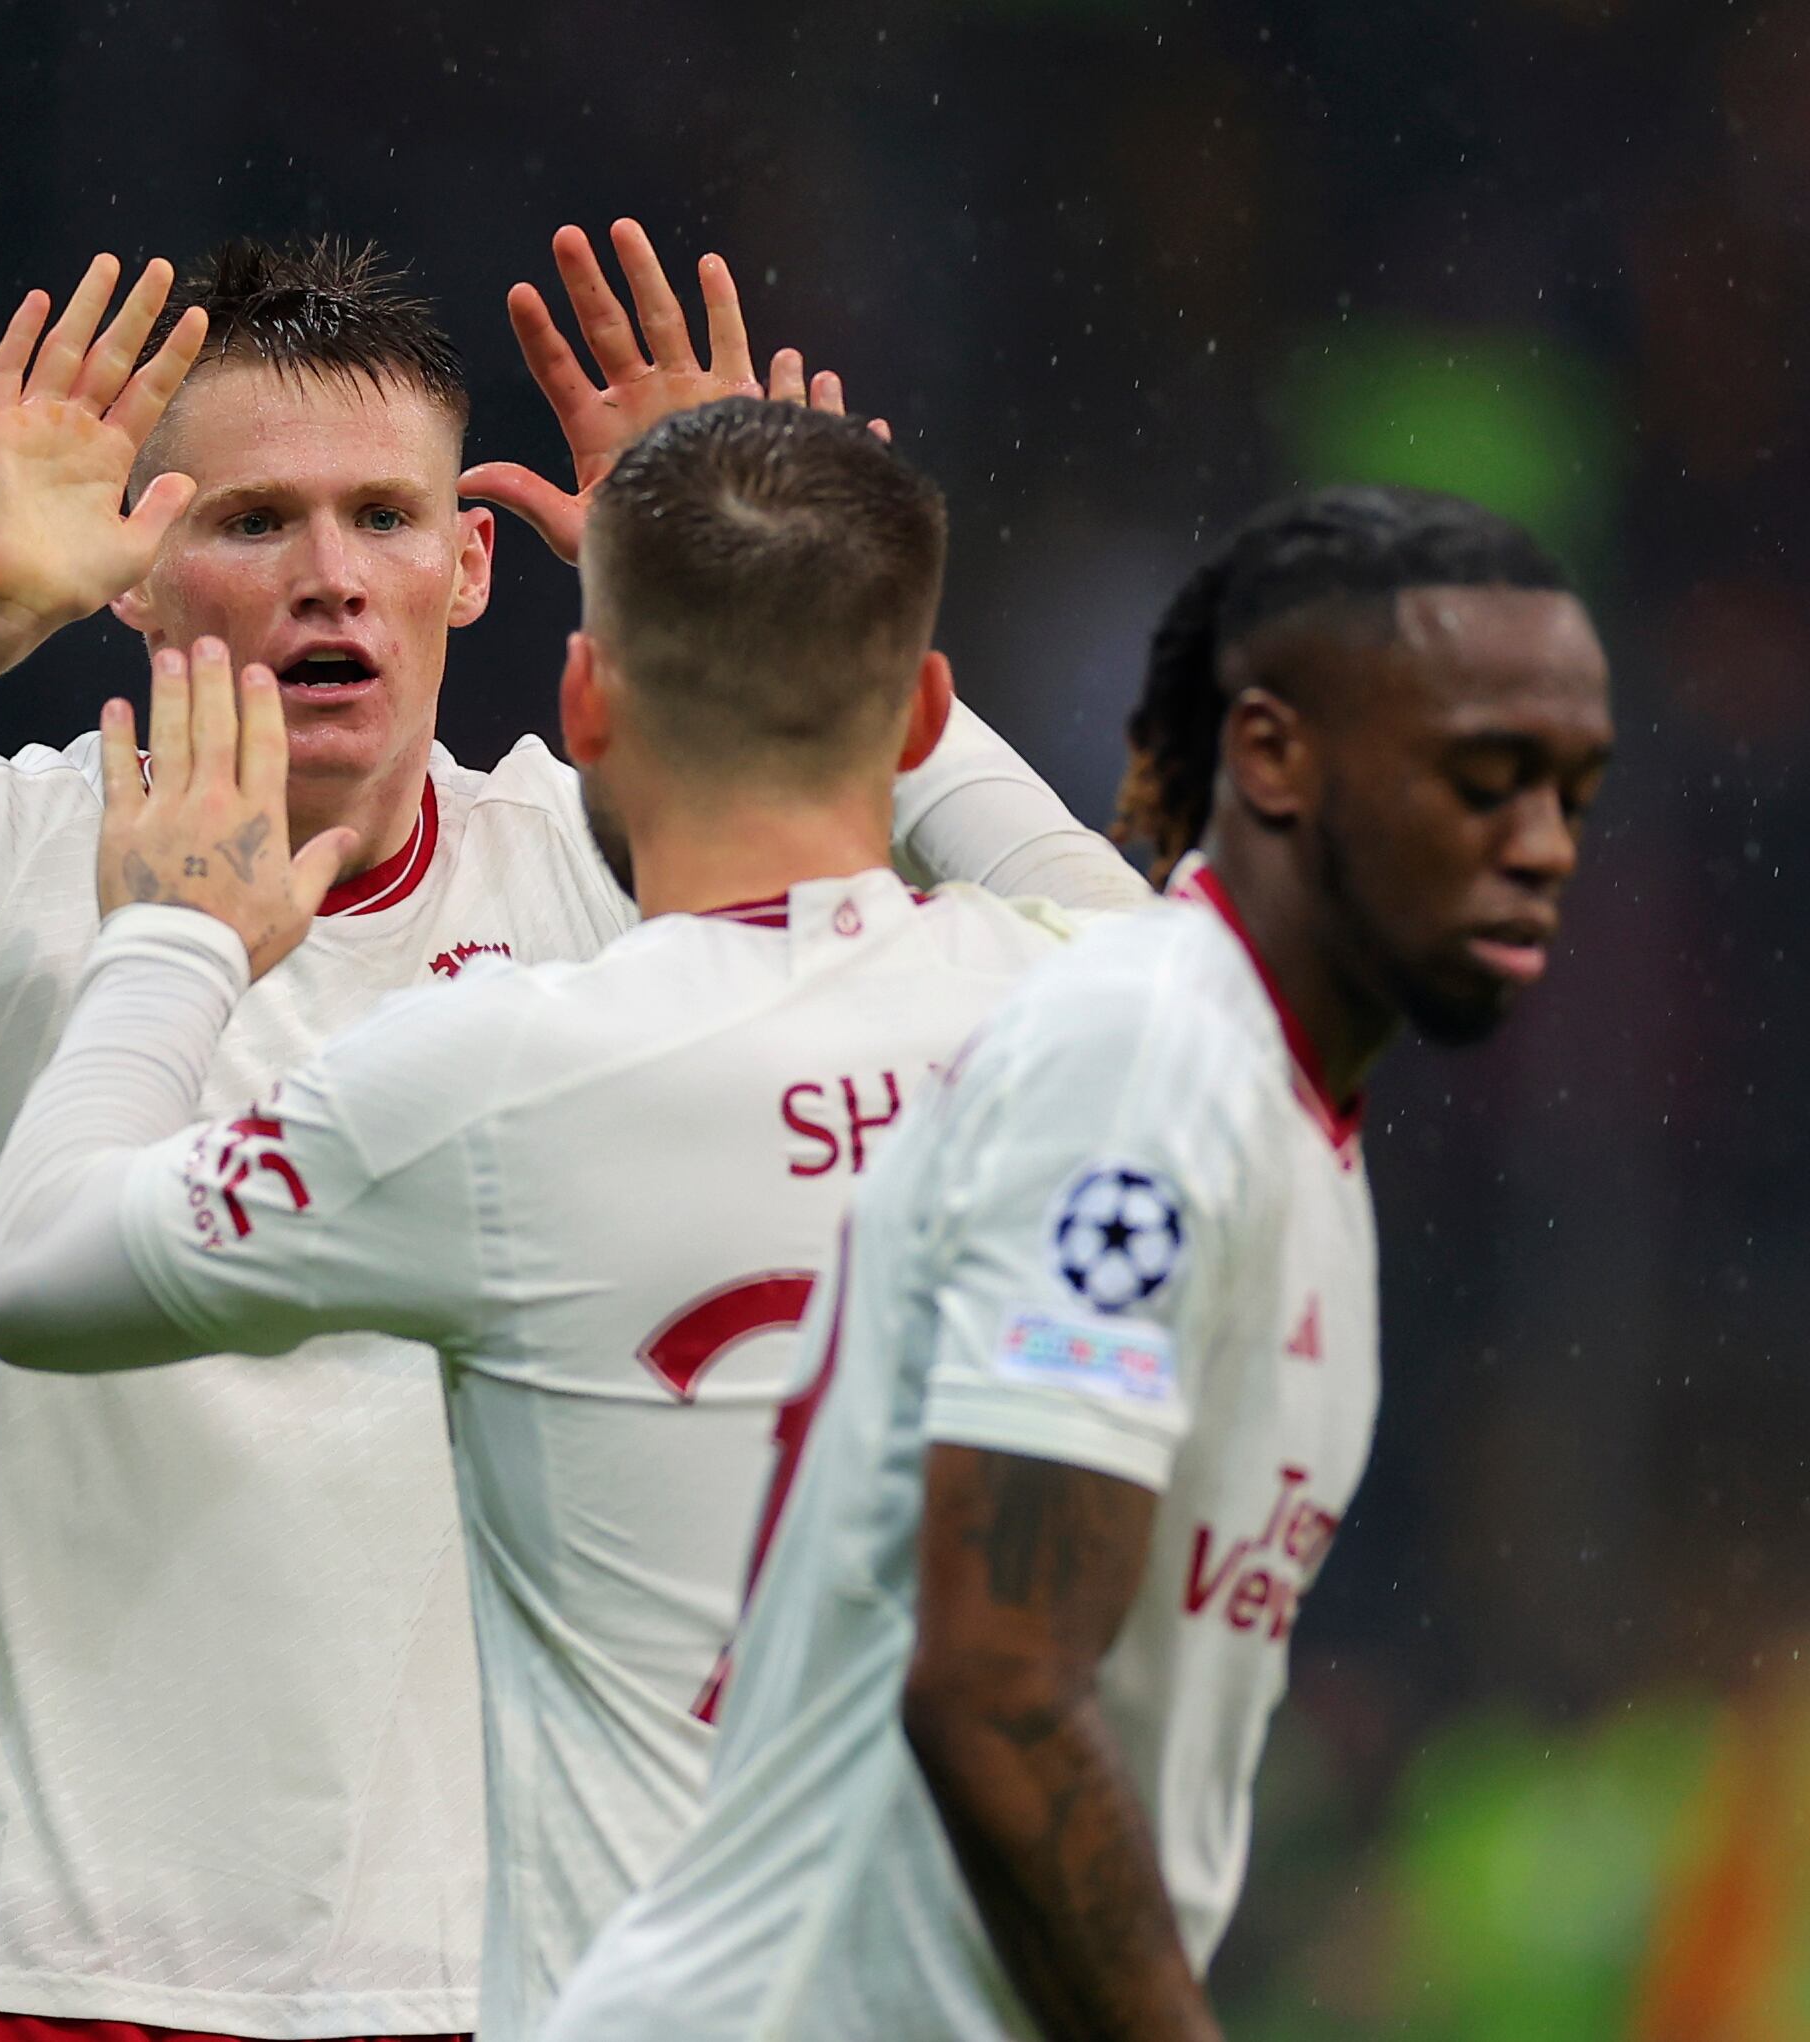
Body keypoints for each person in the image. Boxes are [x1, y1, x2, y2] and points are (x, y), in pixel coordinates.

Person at [0, 228, 1148, 2040]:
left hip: (502, 1978)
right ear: (130, 562)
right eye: (251, 521)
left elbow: (1130, 988)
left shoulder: (611, 876)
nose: (328, 579)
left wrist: (769, 597)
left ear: (468, 565)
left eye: (381, 517)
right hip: (55, 1962)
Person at [0, 399, 1134, 2039]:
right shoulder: (1094, 1016)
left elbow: (31, 1272)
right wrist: (810, 593)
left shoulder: (495, 1070)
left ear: (582, 702)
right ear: (924, 704)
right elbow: (1141, 933)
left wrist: (170, 943)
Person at [542, 484, 1616, 2042]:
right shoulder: (1148, 1065)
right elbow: (991, 1685)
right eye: (1480, 779)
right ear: (1270, 757)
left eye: (1572, 792)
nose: (1540, 848)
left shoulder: (1267, 1108)